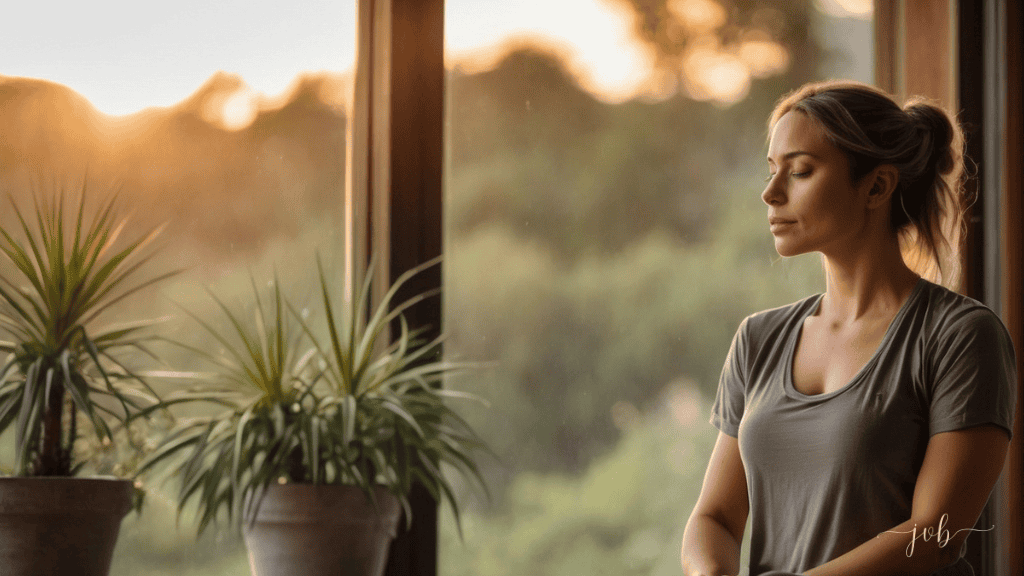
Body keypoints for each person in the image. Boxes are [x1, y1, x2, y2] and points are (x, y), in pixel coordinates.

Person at [680, 80, 1017, 576]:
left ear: (877, 186)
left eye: (799, 171)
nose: (770, 193)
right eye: (772, 171)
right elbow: (715, 517)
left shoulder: (960, 337)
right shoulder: (758, 339)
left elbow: (933, 538)